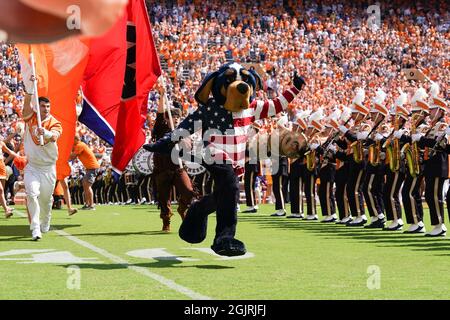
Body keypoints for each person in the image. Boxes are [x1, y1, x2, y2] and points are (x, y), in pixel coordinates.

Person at [23, 93, 62, 241]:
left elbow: (54, 136)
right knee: (32, 194)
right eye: (43, 106)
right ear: (37, 107)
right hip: (32, 166)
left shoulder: (55, 122)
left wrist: (45, 132)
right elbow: (26, 109)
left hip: (48, 168)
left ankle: (46, 219)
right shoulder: (31, 118)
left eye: (48, 106)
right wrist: (28, 92)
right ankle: (35, 227)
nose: (46, 109)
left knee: (45, 200)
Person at [70, 134, 100, 210]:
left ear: (75, 139)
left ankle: (91, 205)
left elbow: (73, 156)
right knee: (85, 184)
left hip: (92, 167)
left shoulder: (80, 145)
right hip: (90, 168)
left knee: (87, 185)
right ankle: (87, 204)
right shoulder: (79, 145)